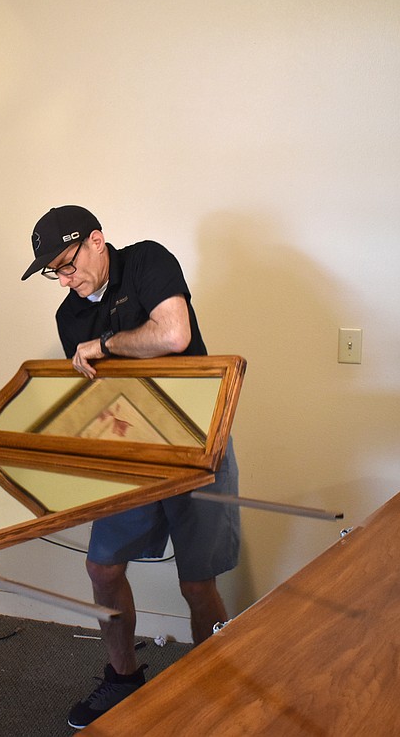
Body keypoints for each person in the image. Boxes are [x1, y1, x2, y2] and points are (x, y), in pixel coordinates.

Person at [21, 204, 240, 729]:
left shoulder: (148, 263)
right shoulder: (68, 315)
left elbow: (174, 336)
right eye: (55, 272)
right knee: (102, 567)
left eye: (69, 264)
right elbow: (100, 394)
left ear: (97, 240)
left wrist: (108, 345)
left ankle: (217, 677)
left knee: (196, 582)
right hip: (131, 448)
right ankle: (122, 677)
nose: (65, 280)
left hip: (195, 440)